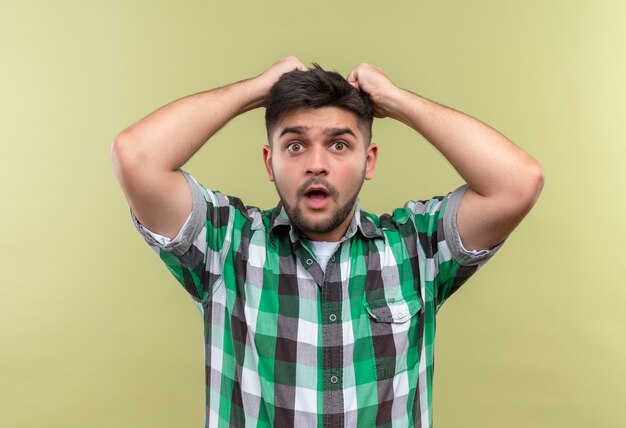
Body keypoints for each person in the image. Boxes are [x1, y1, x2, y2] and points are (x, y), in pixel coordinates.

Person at [111, 56, 544, 427]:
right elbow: (137, 156)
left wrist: (397, 101)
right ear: (270, 161)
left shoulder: (417, 248)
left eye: (339, 145)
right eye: (295, 145)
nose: (316, 164)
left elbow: (518, 182)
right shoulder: (227, 245)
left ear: (368, 160)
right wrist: (257, 89)